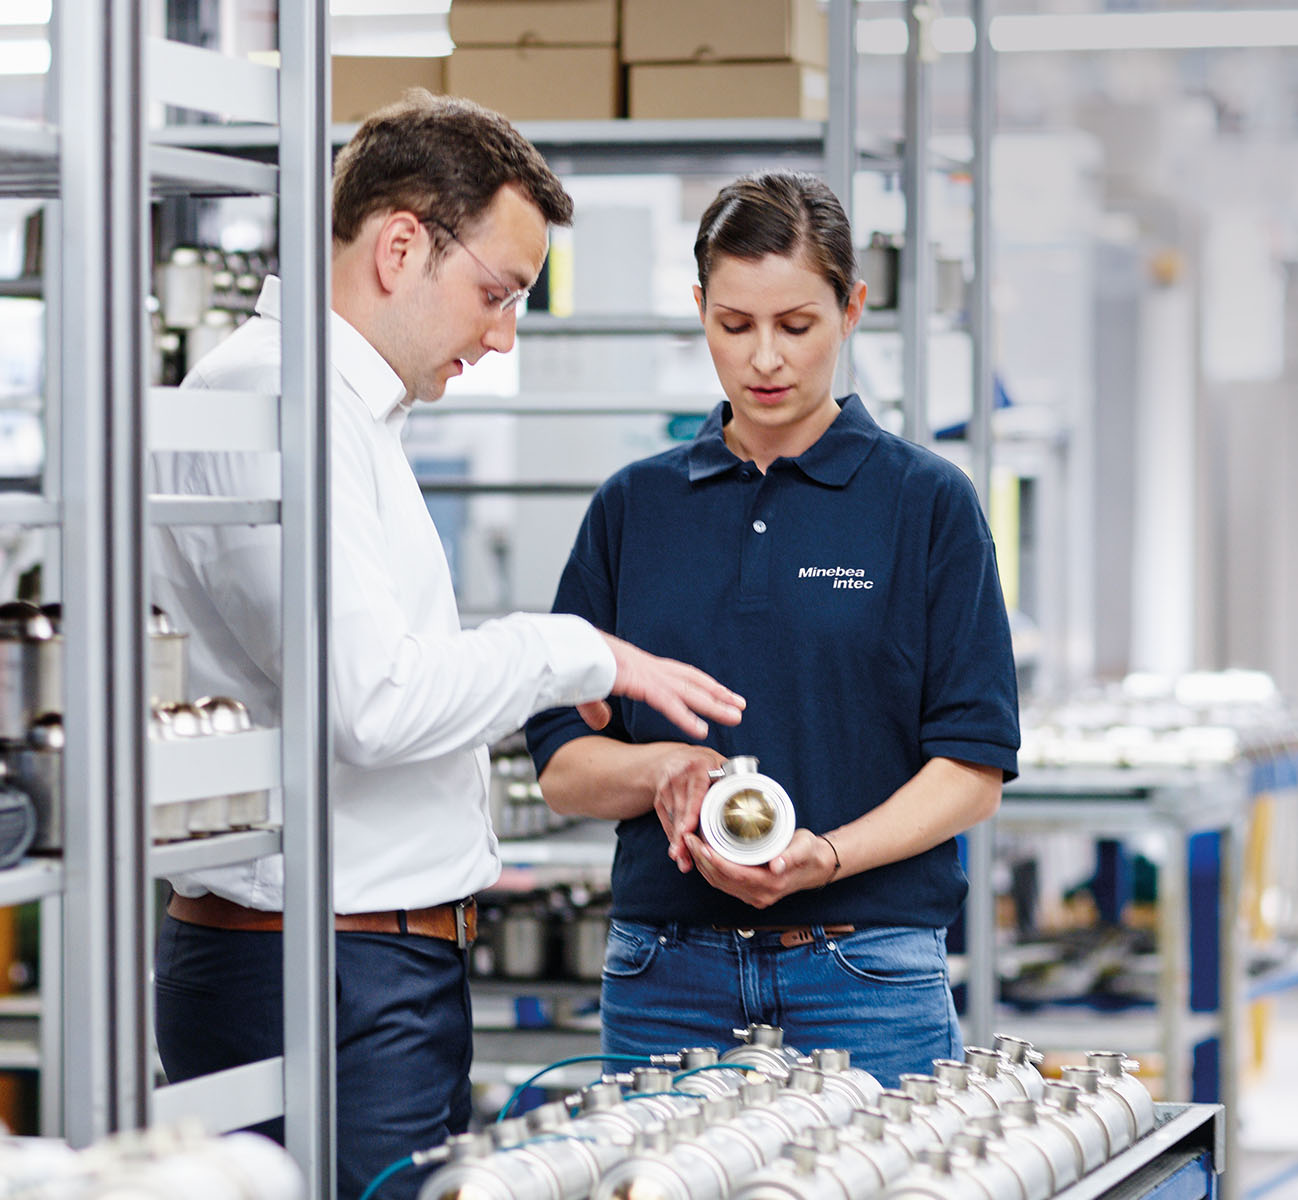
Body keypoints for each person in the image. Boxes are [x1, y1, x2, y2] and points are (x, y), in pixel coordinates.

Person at [148, 92, 744, 1200]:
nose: (502, 334)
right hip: (321, 965)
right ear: (400, 246)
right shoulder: (280, 402)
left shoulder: (340, 409)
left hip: (356, 959)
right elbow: (371, 703)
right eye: (497, 293)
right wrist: (578, 653)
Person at [524, 171, 1020, 1087]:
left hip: (865, 975)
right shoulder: (636, 509)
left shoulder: (925, 505)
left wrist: (824, 858)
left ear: (852, 309)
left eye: (796, 326)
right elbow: (561, 764)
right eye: (734, 324)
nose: (764, 360)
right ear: (700, 311)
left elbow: (972, 770)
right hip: (664, 976)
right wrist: (660, 769)